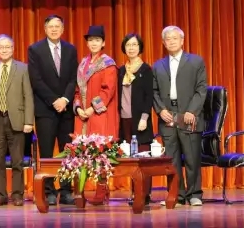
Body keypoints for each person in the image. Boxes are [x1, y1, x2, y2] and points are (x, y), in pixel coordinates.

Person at [152, 26, 208, 207]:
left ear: (182, 41)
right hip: (168, 115)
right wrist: (160, 110)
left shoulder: (196, 61)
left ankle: (194, 194)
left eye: (175, 38)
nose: (171, 41)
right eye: (168, 39)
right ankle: (176, 195)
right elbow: (154, 91)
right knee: (172, 159)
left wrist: (192, 111)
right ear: (163, 43)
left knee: (192, 158)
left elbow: (201, 89)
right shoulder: (157, 65)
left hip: (188, 114)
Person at [27, 15, 78, 206]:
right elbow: (36, 80)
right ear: (45, 28)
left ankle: (66, 191)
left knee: (67, 152)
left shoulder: (71, 49)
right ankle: (48, 190)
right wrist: (54, 100)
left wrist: (65, 99)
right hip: (45, 109)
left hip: (66, 110)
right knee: (47, 153)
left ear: (63, 29)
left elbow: (73, 78)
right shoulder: (35, 49)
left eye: (58, 26)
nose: (54, 29)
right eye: (51, 26)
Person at [0, 34, 34, 207]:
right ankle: (0, 195)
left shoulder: (23, 68)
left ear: (13, 49)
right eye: (1, 47)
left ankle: (17, 194)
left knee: (17, 161)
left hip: (17, 119)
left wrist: (29, 121)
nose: (4, 50)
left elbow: (28, 95)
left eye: (7, 47)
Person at [72, 25, 118, 205]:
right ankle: (79, 191)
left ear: (103, 43)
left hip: (99, 115)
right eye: (90, 40)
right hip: (82, 116)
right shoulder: (82, 64)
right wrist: (78, 108)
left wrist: (91, 108)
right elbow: (77, 91)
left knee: (100, 152)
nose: (93, 43)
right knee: (80, 153)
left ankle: (102, 190)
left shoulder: (108, 64)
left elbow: (107, 91)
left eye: (97, 40)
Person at [117, 33, 154, 205]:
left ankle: (144, 194)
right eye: (128, 45)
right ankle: (135, 193)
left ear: (140, 48)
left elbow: (149, 96)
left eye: (134, 45)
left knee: (143, 159)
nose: (131, 48)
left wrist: (144, 118)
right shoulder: (121, 71)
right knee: (131, 159)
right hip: (124, 119)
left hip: (140, 120)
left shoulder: (146, 70)